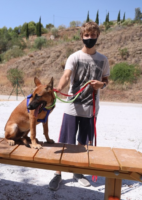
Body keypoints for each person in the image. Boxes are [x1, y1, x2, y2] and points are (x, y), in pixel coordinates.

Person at [49, 22, 110, 191]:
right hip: (72, 108)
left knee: (84, 144)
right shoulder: (74, 57)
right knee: (64, 143)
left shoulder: (103, 59)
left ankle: (78, 173)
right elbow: (66, 76)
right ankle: (57, 174)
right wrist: (58, 89)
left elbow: (106, 79)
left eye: (92, 35)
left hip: (91, 109)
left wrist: (101, 85)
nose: (89, 38)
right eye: (87, 35)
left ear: (97, 36)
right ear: (82, 37)